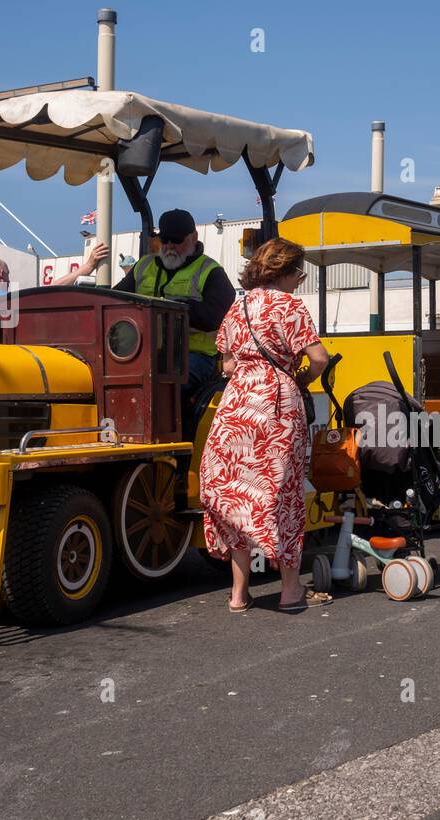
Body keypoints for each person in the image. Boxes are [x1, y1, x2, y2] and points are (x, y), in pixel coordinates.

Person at [198, 238, 332, 613]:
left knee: (238, 494)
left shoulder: (237, 308)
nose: (299, 281)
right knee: (282, 494)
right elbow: (318, 358)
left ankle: (239, 594)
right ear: (285, 272)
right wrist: (302, 377)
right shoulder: (290, 307)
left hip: (237, 406)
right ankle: (290, 592)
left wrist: (248, 370)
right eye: (299, 273)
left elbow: (225, 365)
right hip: (276, 405)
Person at [114, 209, 234, 397]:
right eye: (165, 240)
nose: (170, 246)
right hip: (142, 351)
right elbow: (114, 299)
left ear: (193, 237)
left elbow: (214, 317)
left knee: (160, 387)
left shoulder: (211, 272)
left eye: (177, 240)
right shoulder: (144, 266)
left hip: (194, 356)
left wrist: (175, 309)